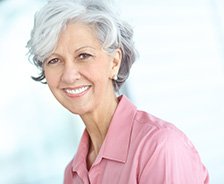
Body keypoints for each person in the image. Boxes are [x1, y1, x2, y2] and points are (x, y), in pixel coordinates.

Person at [27, 0, 209, 183]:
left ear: (114, 62)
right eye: (54, 60)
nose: (68, 76)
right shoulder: (72, 173)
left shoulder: (159, 147)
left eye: (84, 55)